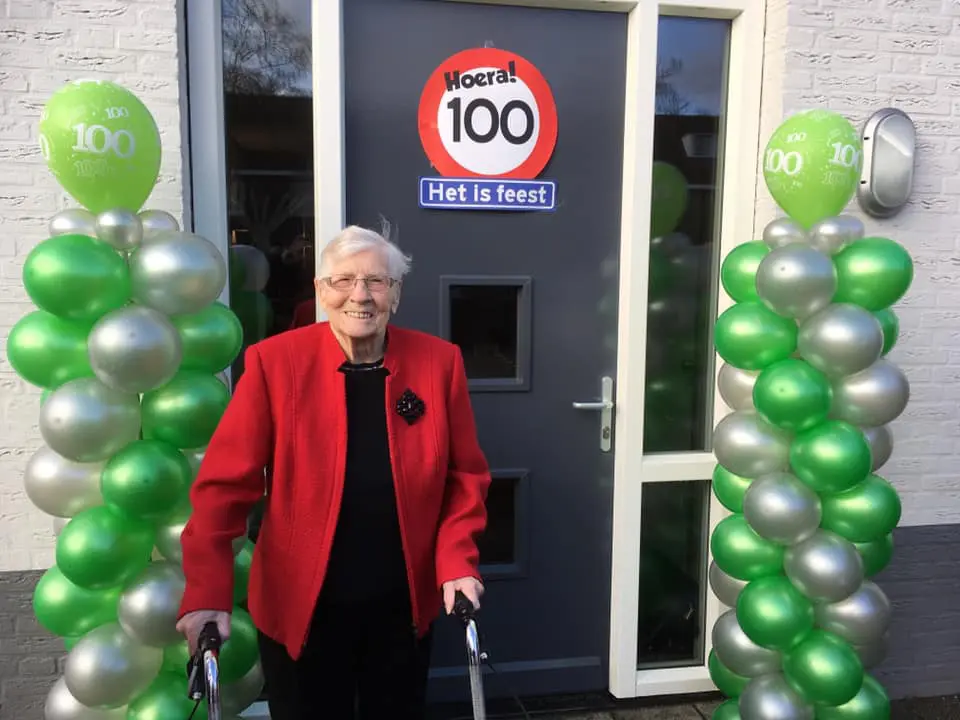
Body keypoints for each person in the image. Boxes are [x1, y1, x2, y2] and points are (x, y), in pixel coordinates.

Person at [176, 224, 492, 719]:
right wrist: (207, 592)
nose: (360, 296)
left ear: (397, 294)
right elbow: (223, 489)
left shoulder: (438, 363)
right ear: (322, 292)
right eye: (343, 281)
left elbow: (464, 477)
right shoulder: (274, 364)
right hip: (301, 608)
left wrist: (456, 560)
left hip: (402, 608)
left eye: (377, 281)